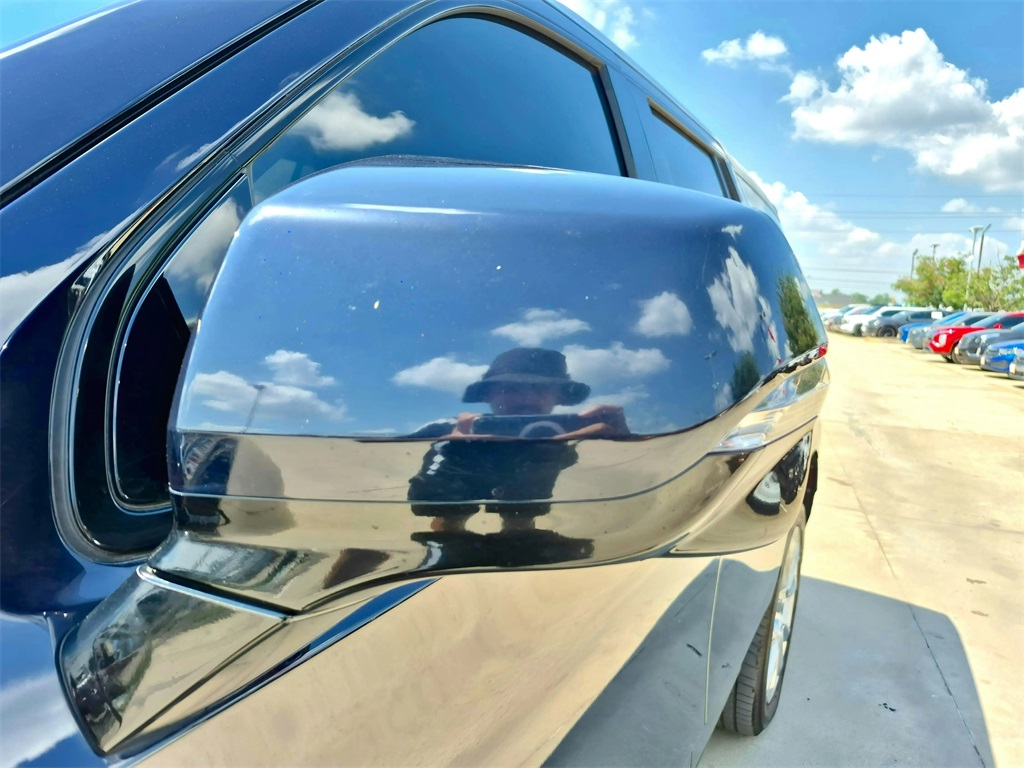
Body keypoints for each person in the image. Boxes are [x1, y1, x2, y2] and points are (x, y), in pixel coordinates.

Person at [407, 348, 627, 536]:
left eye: (540, 389)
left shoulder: (568, 433)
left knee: (521, 524)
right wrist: (451, 452)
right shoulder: (451, 428)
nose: (527, 399)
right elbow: (417, 492)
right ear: (486, 395)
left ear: (559, 396)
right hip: (461, 471)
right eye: (510, 389)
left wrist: (623, 439)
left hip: (535, 466)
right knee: (450, 525)